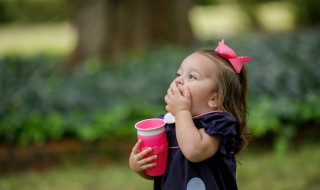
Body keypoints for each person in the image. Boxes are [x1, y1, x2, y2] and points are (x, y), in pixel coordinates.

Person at [129, 39, 252, 190]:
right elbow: (160, 171)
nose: (179, 80)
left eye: (192, 77)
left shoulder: (218, 124)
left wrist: (181, 111)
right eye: (178, 74)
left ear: (215, 98)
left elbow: (194, 150)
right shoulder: (167, 124)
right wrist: (140, 166)